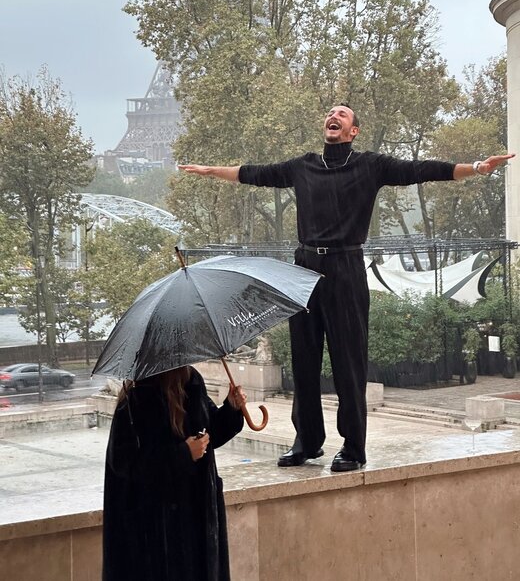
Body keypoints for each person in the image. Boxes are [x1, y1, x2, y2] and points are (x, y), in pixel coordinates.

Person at [179, 104, 514, 473]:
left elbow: (422, 171)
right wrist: (211, 171)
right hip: (304, 268)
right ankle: (308, 442)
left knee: (348, 365)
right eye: (329, 113)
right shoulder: (302, 166)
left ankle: (353, 448)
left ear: (353, 130)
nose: (333, 116)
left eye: (342, 114)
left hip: (346, 268)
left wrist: (478, 168)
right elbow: (255, 174)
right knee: (303, 362)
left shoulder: (370, 165)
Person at [103, 365, 246, 581]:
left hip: (196, 513)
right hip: (158, 529)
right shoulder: (137, 395)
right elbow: (124, 462)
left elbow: (210, 431)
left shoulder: (191, 381)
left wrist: (231, 408)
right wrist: (182, 455)